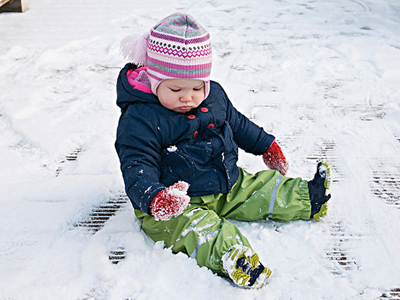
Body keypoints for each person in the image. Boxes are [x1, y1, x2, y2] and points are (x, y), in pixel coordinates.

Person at [115, 12, 332, 289]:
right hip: (174, 203)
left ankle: (308, 198)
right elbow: (136, 164)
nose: (188, 96)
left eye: (197, 86)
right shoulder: (141, 119)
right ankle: (235, 258)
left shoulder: (214, 96)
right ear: (155, 81)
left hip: (222, 181)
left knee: (257, 187)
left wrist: (265, 144)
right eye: (175, 88)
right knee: (198, 229)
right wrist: (155, 198)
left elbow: (238, 123)